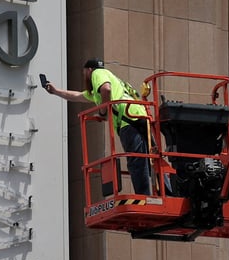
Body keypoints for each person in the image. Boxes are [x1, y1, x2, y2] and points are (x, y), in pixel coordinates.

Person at [43, 59, 152, 195]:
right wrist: (55, 91)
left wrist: (103, 112)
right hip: (139, 116)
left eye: (84, 73)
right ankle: (167, 192)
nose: (84, 76)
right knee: (153, 159)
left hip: (128, 120)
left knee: (136, 161)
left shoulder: (97, 73)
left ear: (89, 70)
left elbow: (106, 89)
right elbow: (77, 96)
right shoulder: (107, 86)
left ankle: (143, 197)